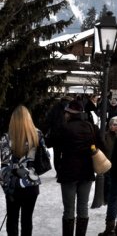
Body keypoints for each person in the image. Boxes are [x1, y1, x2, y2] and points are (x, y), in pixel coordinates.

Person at [53, 99, 104, 236]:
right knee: (83, 207)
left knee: (69, 209)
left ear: (69, 113)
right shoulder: (92, 127)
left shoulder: (64, 127)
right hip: (86, 172)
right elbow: (102, 145)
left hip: (68, 172)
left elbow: (52, 143)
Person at [0, 105, 49, 236]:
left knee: (12, 220)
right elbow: (45, 157)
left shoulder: (6, 138)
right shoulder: (37, 134)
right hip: (31, 184)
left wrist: (6, 189)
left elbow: (5, 166)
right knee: (27, 220)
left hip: (13, 185)